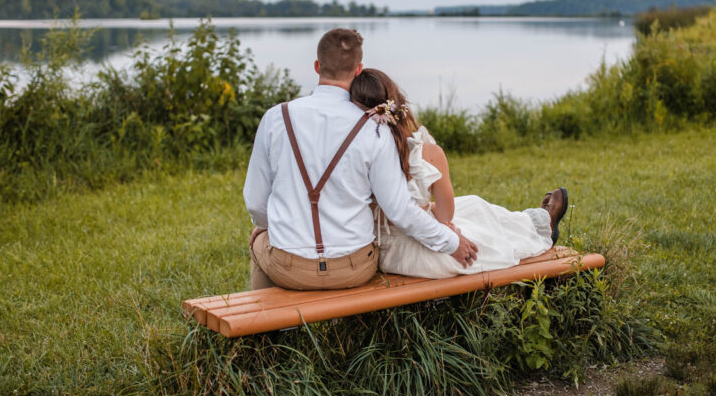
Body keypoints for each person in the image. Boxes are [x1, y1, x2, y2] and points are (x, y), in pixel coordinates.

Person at [243, 28, 478, 290]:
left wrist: (267, 227)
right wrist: (452, 243)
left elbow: (255, 203)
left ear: (317, 66)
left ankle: (264, 324)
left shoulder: (276, 118)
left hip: (289, 268)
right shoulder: (375, 129)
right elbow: (400, 210)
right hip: (354, 267)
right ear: (358, 70)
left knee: (259, 240)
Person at [349, 68, 569, 279]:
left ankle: (535, 219)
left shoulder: (352, 155)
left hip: (382, 254)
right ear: (398, 104)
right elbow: (446, 216)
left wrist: (424, 209)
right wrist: (429, 211)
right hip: (421, 256)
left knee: (473, 205)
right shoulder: (429, 153)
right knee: (482, 223)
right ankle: (539, 223)